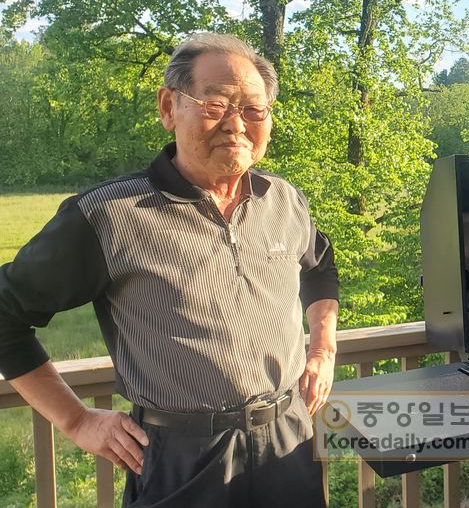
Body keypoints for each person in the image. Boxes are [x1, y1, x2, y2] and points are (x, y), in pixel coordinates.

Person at [0, 33, 339, 507]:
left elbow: (320, 266)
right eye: (216, 104)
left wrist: (323, 346)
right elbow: (6, 315)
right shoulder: (108, 215)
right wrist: (77, 421)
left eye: (254, 110)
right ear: (168, 107)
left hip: (289, 441)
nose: (237, 125)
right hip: (182, 457)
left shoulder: (282, 200)